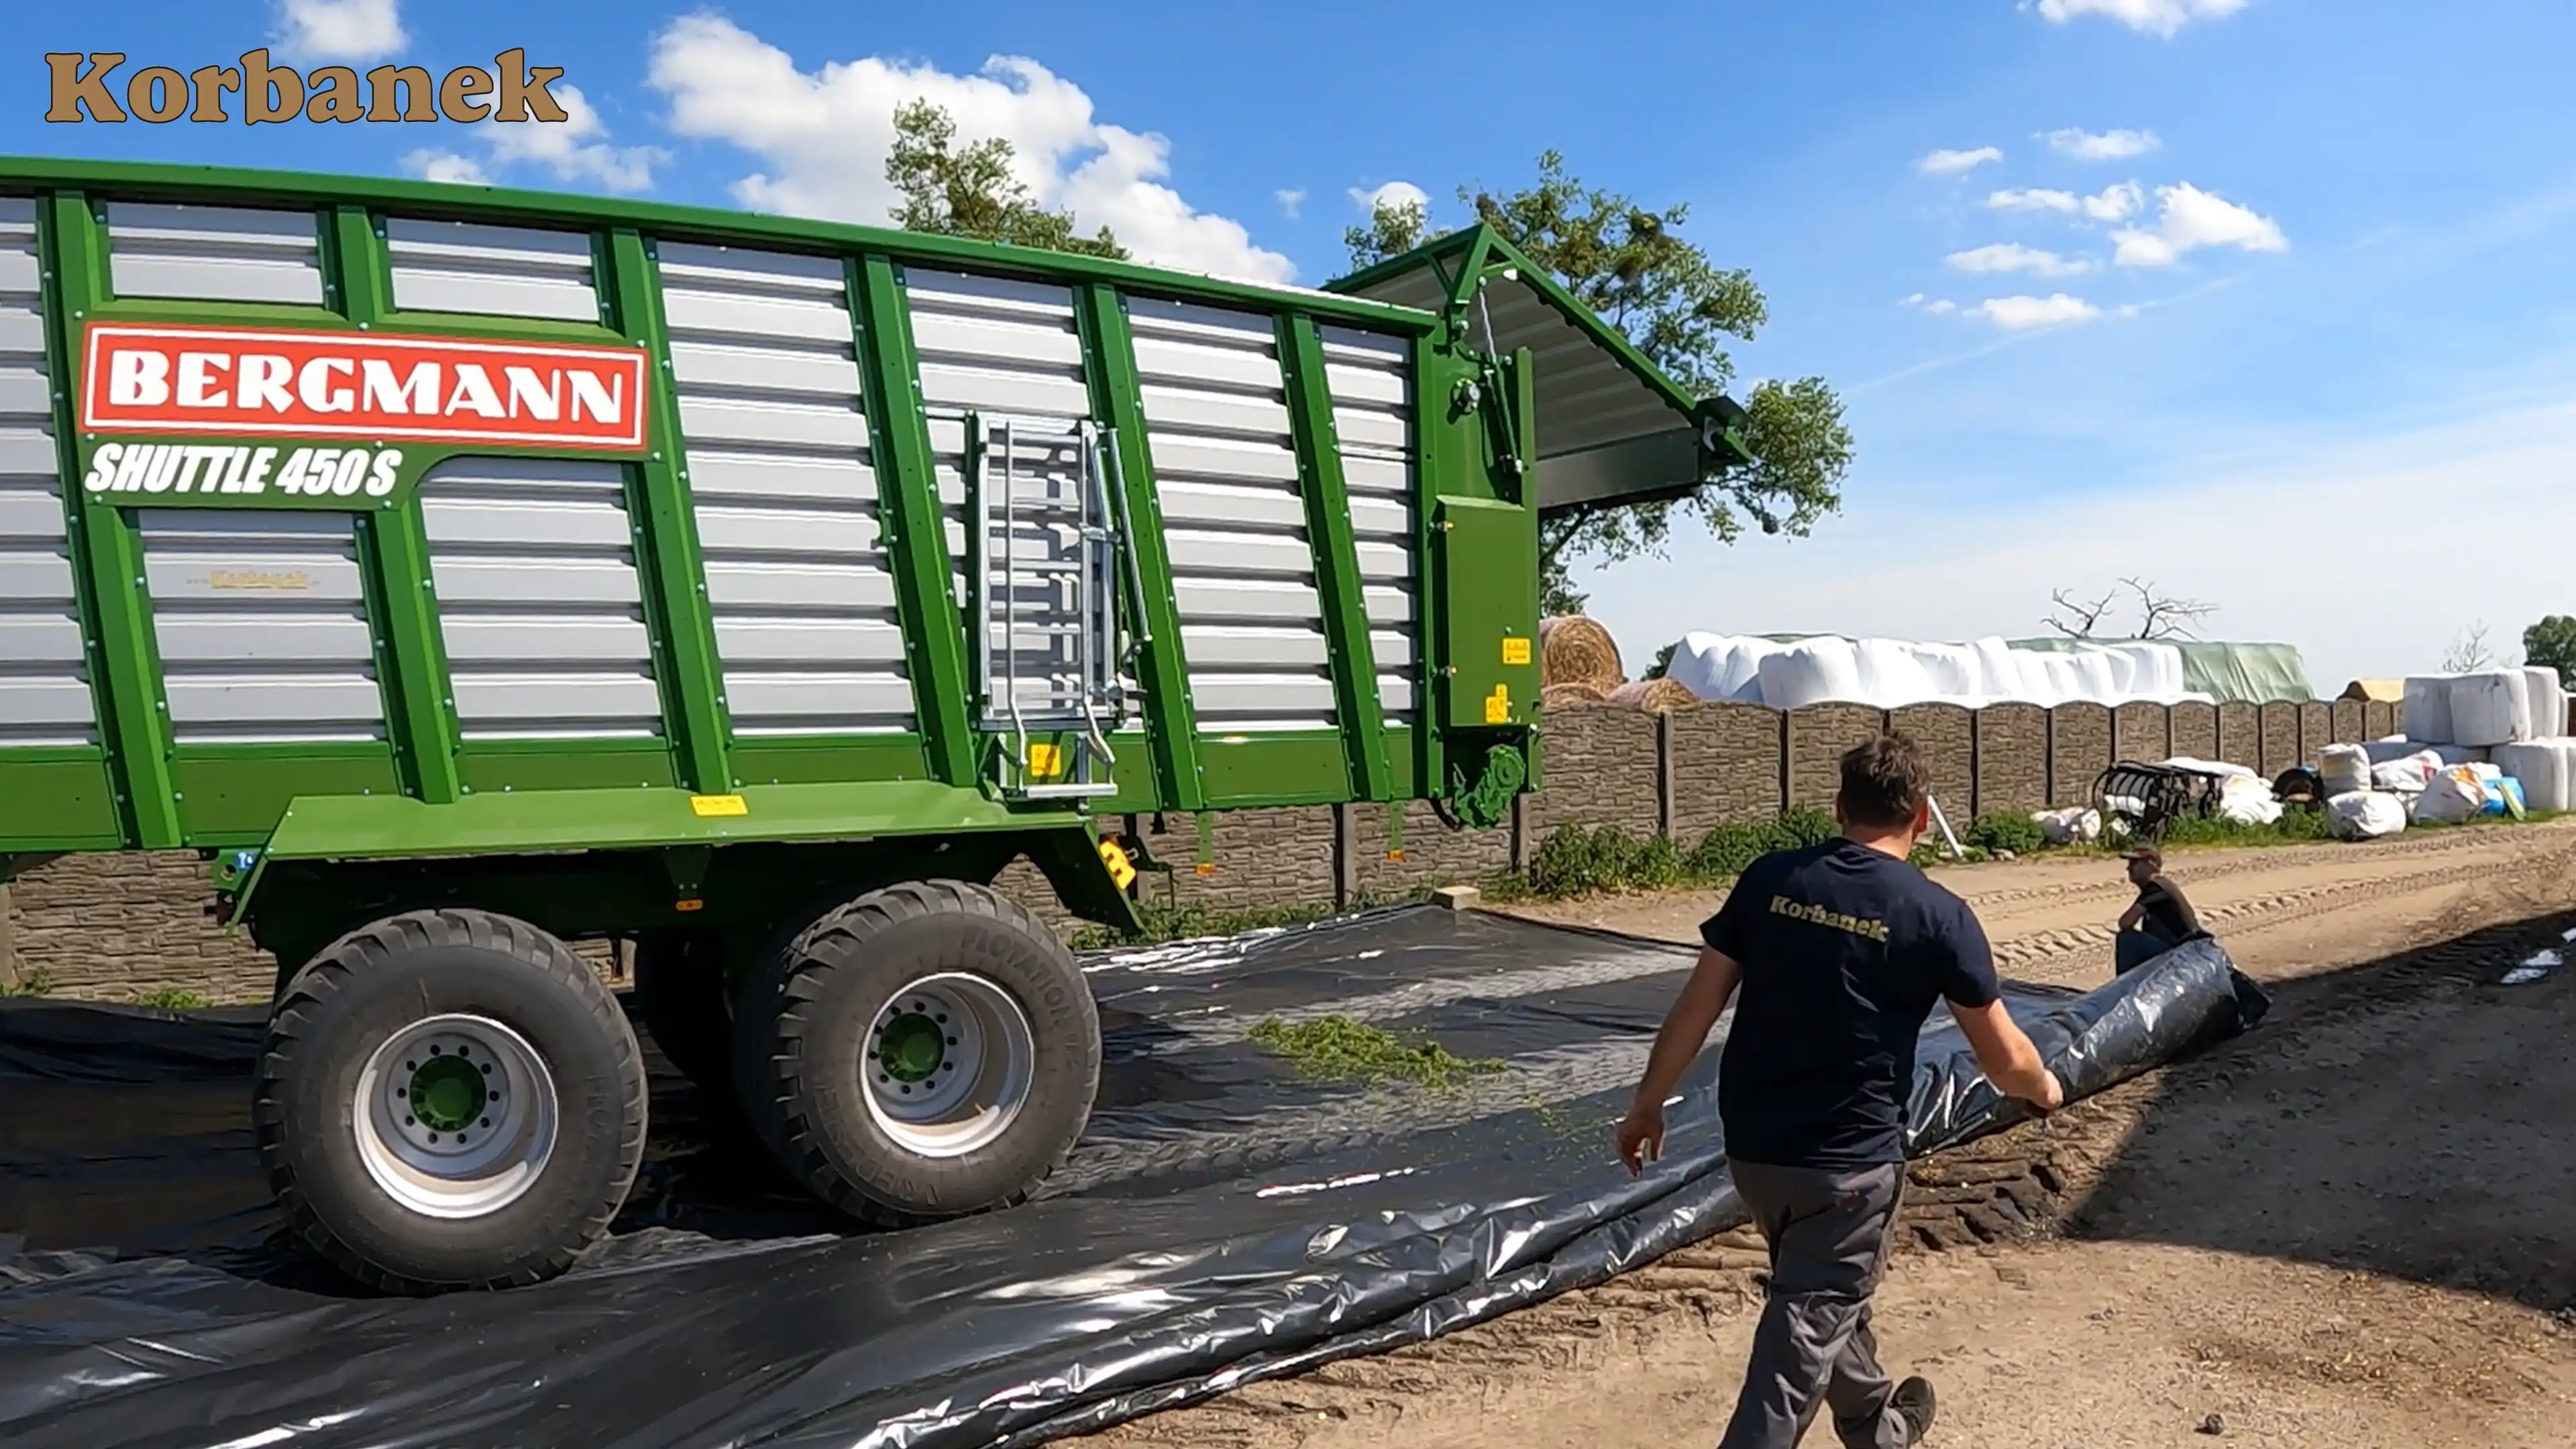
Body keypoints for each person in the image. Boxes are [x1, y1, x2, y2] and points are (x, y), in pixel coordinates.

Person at [1615, 732, 2065, 1449]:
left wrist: (1647, 1105)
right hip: (1849, 1168)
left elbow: (1697, 1005)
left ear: (1838, 807)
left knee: (1819, 1295)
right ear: (1922, 816)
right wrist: (2044, 1088)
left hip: (1756, 1152)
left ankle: (1878, 1428)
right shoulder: (1938, 915)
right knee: (1799, 1337)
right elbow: (2004, 1057)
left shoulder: (1771, 879)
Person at [2114, 845, 2206, 977]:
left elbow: (2125, 923)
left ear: (2151, 865)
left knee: (2127, 939)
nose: (2128, 868)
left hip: (2183, 956)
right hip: (2184, 953)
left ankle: (2125, 986)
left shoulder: (2157, 887)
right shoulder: (2159, 886)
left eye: (2134, 863)